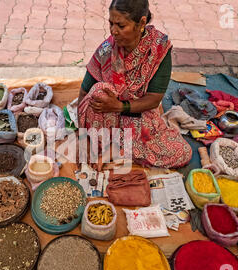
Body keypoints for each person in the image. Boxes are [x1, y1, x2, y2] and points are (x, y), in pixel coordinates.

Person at [78, 0, 192, 169]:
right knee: (99, 91)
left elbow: (154, 99)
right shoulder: (107, 49)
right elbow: (84, 90)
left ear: (142, 23)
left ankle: (117, 150)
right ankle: (113, 147)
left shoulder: (158, 48)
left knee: (182, 152)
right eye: (110, 23)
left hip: (138, 114)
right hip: (108, 117)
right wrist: (82, 135)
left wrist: (119, 106)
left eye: (121, 26)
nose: (113, 31)